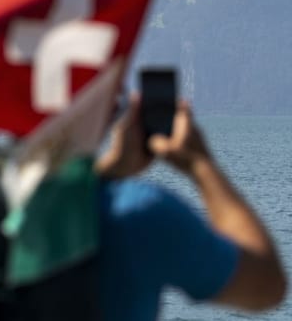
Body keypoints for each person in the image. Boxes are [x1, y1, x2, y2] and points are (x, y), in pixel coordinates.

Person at [93, 94, 287, 319]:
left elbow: (54, 194)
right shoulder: (137, 215)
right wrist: (200, 163)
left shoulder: (44, 208)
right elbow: (264, 285)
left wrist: (103, 173)